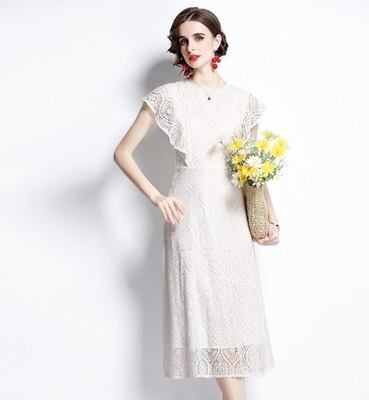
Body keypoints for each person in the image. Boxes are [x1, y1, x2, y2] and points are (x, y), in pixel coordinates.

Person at [113, 7, 280, 400]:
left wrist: (270, 218)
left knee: (234, 320)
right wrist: (156, 196)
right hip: (190, 221)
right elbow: (122, 153)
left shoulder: (244, 103)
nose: (191, 47)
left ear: (218, 41)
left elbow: (253, 168)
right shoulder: (167, 98)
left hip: (231, 221)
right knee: (211, 319)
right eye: (183, 41)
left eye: (199, 38)